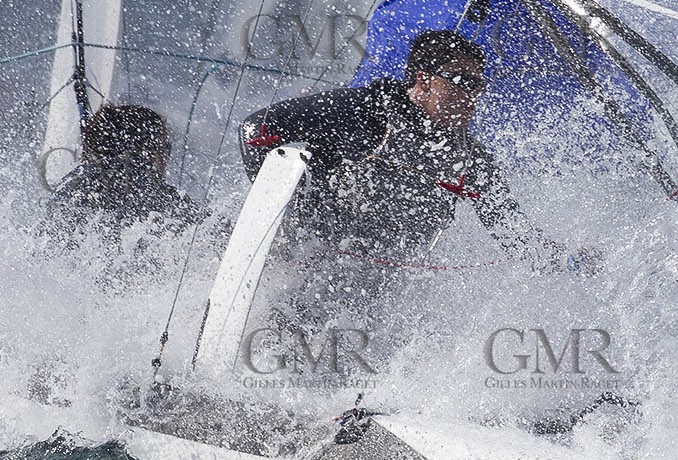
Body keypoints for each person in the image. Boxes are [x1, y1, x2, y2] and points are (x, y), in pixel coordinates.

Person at [239, 29, 597, 305]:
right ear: (423, 79)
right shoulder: (367, 110)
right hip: (303, 266)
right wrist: (289, 224)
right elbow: (256, 130)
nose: (473, 95)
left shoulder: (470, 160)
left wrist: (567, 261)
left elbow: (514, 235)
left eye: (479, 85)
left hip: (383, 292)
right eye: (462, 81)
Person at [41, 104, 206, 247]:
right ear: (148, 153)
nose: (166, 157)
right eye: (165, 147)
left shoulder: (68, 185)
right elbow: (215, 233)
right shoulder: (148, 188)